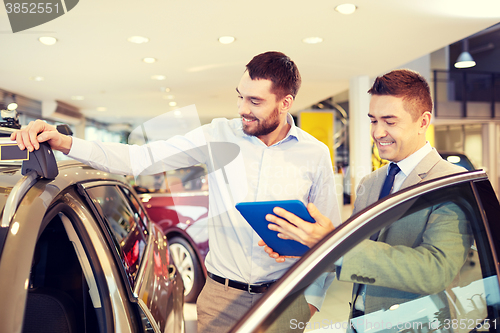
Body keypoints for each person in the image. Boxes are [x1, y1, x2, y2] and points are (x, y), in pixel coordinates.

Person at [11, 51, 341, 332]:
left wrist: (311, 302)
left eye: (255, 101)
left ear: (285, 103)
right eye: (240, 95)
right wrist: (66, 142)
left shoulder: (314, 154)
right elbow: (140, 157)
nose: (242, 108)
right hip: (220, 299)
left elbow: (330, 234)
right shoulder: (218, 135)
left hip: (285, 297)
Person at [261, 69, 471, 318]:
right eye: (373, 120)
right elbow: (356, 256)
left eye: (390, 122)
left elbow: (435, 271)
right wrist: (304, 245)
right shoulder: (370, 183)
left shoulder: (451, 183)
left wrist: (333, 244)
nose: (377, 133)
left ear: (423, 122)